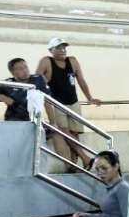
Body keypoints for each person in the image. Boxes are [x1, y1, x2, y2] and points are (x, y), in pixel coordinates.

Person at [37, 38, 99, 166]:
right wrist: (43, 86)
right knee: (64, 131)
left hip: (73, 102)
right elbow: (36, 79)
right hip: (57, 104)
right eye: (58, 48)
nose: (62, 50)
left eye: (64, 47)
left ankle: (74, 165)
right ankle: (84, 158)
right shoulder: (46, 61)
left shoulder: (73, 61)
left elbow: (81, 80)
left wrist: (89, 97)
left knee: (74, 133)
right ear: (51, 50)